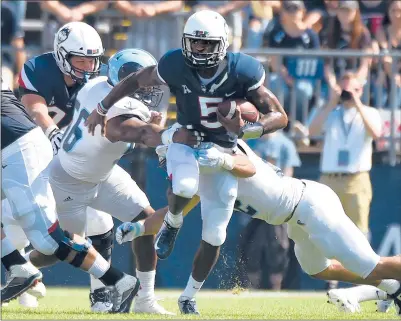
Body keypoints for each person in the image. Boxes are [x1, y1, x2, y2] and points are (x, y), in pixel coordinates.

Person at [85, 9, 288, 314]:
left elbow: (279, 116)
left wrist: (249, 130)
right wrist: (103, 107)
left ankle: (189, 295)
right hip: (184, 139)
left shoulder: (243, 69)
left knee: (215, 234)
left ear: (223, 44)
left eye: (206, 45)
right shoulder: (175, 63)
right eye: (194, 43)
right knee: (184, 185)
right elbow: (135, 80)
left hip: (223, 149)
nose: (199, 50)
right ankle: (173, 221)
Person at [116, 138, 401, 318]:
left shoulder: (220, 156)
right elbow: (171, 213)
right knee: (318, 269)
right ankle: (391, 287)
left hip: (310, 207)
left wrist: (223, 157)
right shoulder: (205, 180)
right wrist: (138, 228)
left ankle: (385, 280)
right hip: (294, 216)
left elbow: (244, 162)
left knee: (370, 265)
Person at [14, 21, 144, 312]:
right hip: (33, 153)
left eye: (92, 60)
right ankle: (23, 272)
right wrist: (52, 132)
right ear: (61, 55)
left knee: (99, 224)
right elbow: (35, 107)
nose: (87, 66)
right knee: (27, 229)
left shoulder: (99, 82)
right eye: (80, 59)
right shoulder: (39, 68)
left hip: (74, 160)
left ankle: (102, 295)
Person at [49, 48, 183, 315]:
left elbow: (124, 125)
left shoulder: (98, 85)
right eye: (142, 81)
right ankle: (22, 267)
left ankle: (146, 299)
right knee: (56, 249)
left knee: (145, 221)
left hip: (104, 174)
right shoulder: (120, 111)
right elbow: (137, 132)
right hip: (69, 183)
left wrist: (152, 124)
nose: (148, 88)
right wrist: (173, 136)